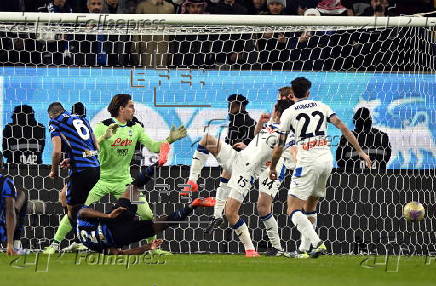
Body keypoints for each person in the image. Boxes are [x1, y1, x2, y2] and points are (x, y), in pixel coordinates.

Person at [44, 94, 186, 254]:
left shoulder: (136, 128)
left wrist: (170, 139)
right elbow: (88, 148)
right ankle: (54, 244)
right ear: (121, 108)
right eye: (131, 106)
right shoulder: (102, 126)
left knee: (146, 213)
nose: (134, 109)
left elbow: (154, 147)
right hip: (100, 178)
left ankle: (153, 249)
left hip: (123, 181)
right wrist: (72, 159)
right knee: (77, 209)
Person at [269, 77, 371, 258]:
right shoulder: (321, 106)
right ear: (308, 92)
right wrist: (361, 151)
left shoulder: (289, 112)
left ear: (292, 94)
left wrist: (273, 167)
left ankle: (317, 243)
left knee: (292, 209)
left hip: (307, 161)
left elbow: (279, 146)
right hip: (326, 160)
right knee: (311, 205)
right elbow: (342, 126)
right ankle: (303, 250)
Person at [223, 99, 293, 257]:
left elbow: (281, 149)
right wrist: (260, 125)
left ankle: (277, 248)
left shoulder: (286, 130)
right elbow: (259, 141)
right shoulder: (271, 124)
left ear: (278, 110)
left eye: (275, 106)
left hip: (272, 167)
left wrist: (274, 165)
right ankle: (273, 248)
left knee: (262, 206)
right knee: (260, 207)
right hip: (257, 164)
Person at [76, 176, 216, 254]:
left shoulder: (90, 244)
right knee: (133, 188)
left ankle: (192, 205)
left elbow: (118, 254)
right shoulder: (80, 228)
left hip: (121, 235)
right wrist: (108, 216)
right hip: (115, 221)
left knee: (161, 225)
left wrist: (147, 247)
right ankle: (156, 164)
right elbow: (82, 212)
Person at [183, 94, 256, 234]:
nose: (230, 107)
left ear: (241, 106)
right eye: (229, 104)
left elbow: (253, 144)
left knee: (206, 140)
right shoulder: (235, 121)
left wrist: (245, 146)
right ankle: (216, 216)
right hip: (238, 163)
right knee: (224, 180)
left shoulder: (247, 122)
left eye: (233, 105)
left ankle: (192, 180)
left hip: (240, 160)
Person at [45, 102, 103, 252]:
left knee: (71, 207)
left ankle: (85, 240)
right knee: (66, 198)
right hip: (94, 168)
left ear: (51, 114)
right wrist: (73, 158)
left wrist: (54, 170)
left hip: (81, 171)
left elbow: (57, 151)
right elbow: (95, 147)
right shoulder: (81, 119)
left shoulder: (55, 122)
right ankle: (80, 240)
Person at [0, 152, 28, 255]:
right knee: (22, 194)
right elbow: (10, 212)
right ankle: (14, 244)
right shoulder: (6, 182)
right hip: (2, 231)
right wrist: (9, 244)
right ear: (2, 165)